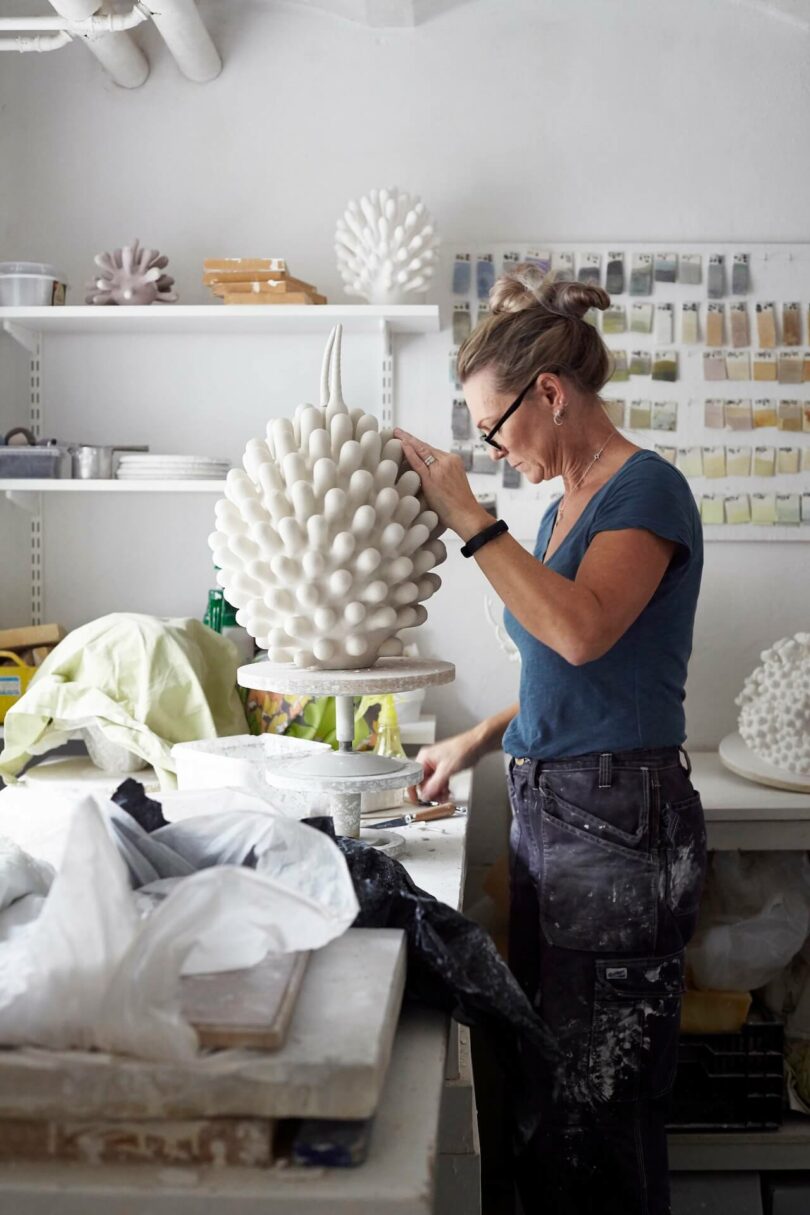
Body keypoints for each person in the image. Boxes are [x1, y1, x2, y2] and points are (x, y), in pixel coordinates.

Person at [393, 266, 707, 1215]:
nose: (492, 453)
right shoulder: (564, 503)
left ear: (552, 394)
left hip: (618, 825)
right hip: (561, 811)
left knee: (601, 1103)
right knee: (557, 1091)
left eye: (495, 429)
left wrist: (470, 520)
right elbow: (563, 678)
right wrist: (479, 741)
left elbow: (580, 632)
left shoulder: (645, 492)